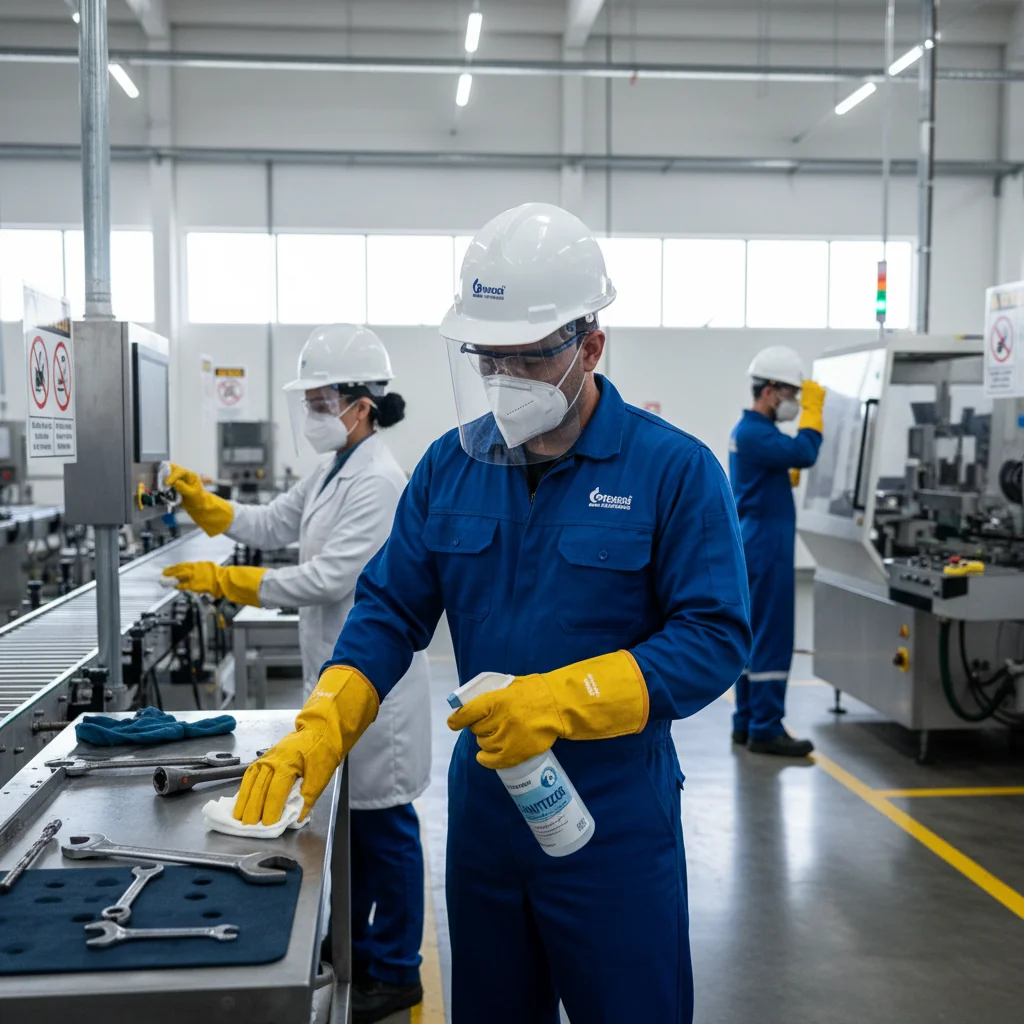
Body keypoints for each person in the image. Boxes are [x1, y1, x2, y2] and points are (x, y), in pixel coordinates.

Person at [231, 203, 750, 1024]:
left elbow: (714, 638)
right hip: (485, 814)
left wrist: (562, 699)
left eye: (529, 358)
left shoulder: (672, 471)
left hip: (614, 816)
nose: (504, 379)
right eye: (487, 358)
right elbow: (389, 609)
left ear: (591, 346)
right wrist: (325, 720)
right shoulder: (449, 468)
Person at [161, 325, 430, 1024]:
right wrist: (210, 508)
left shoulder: (380, 480)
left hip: (378, 691)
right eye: (308, 400)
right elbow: (274, 521)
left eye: (320, 400)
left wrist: (228, 581)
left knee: (387, 828)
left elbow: (325, 578)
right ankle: (355, 951)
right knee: (352, 828)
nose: (311, 413)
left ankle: (396, 969)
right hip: (334, 675)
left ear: (361, 403)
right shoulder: (336, 467)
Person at [728, 345, 825, 757]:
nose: (794, 403)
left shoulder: (751, 431)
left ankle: (747, 722)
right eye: (791, 394)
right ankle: (766, 727)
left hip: (757, 542)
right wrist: (815, 416)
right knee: (773, 635)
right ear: (770, 391)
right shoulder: (754, 433)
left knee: (755, 635)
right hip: (766, 547)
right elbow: (805, 452)